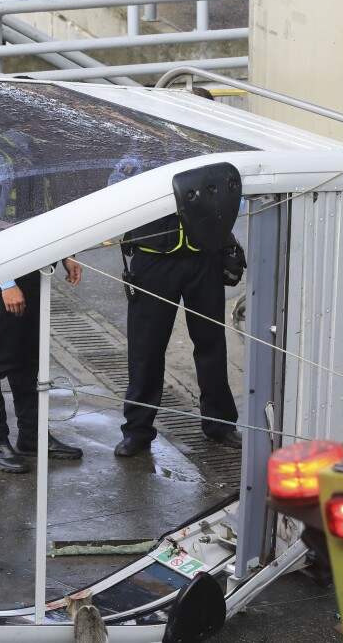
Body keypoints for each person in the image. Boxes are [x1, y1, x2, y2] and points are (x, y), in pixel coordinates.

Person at [113, 89, 239, 457]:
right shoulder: (144, 148)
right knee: (146, 350)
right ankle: (137, 431)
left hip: (204, 260)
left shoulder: (215, 153)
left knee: (212, 345)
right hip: (154, 261)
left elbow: (237, 197)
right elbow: (113, 187)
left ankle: (219, 424)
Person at [0, 131, 84, 474]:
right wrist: (7, 282)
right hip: (4, 276)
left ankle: (32, 436)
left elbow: (43, 211)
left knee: (28, 361)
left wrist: (65, 253)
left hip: (34, 270)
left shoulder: (32, 151)